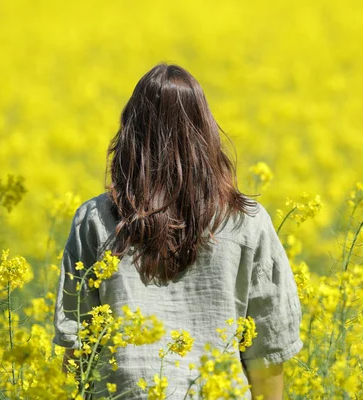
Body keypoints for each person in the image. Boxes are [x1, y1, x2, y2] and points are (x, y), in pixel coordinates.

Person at [52, 63, 302, 399]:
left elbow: (76, 348)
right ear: (206, 132)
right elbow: (268, 352)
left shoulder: (94, 219)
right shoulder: (247, 221)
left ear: (130, 134)